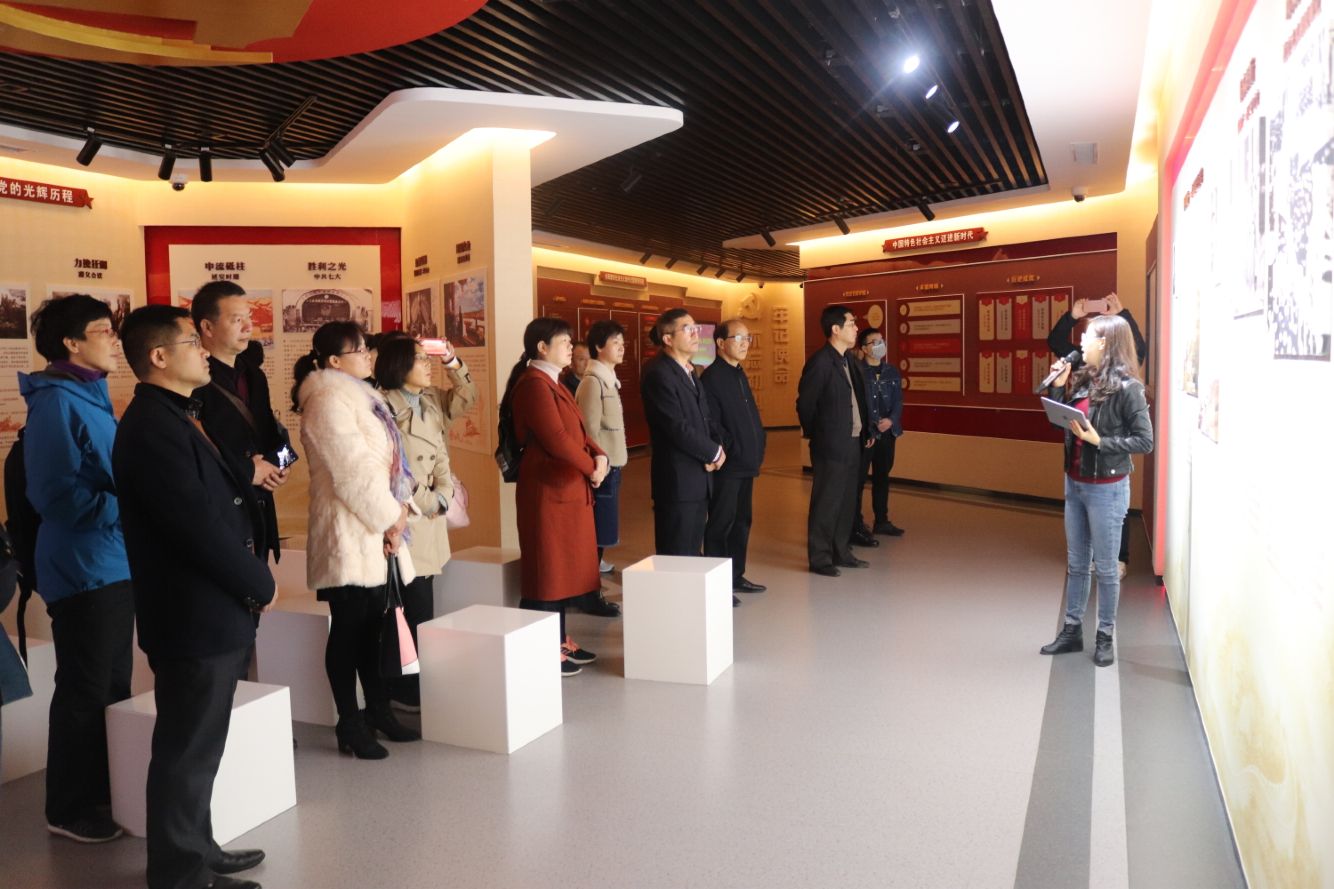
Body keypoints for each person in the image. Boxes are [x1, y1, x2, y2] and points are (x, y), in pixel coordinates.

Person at [113, 305, 275, 889]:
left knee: (201, 745)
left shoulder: (178, 413)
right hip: (192, 615)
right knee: (187, 748)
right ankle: (179, 872)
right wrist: (259, 582)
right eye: (191, 342)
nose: (205, 351)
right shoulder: (151, 428)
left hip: (210, 610)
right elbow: (196, 526)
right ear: (159, 356)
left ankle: (199, 848)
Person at [19, 294, 133, 843]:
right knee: (84, 688)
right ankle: (67, 807)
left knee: (112, 682)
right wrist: (133, 502)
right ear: (71, 343)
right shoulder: (56, 403)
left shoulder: (90, 394)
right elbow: (56, 497)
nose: (114, 341)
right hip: (82, 566)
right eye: (103, 331)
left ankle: (104, 790)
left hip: (111, 560)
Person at [293, 322, 419, 758]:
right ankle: (349, 722)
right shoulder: (327, 400)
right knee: (348, 631)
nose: (368, 355)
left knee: (372, 630)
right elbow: (352, 474)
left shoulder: (363, 396)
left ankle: (377, 710)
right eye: (359, 349)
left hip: (376, 528)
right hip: (347, 534)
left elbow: (388, 464)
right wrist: (391, 520)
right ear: (333, 361)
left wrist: (399, 515)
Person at [1039, 313, 1153, 667]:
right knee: (1077, 564)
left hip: (1107, 488)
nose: (1081, 342)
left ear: (1104, 343)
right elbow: (1063, 422)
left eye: (1086, 336)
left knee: (1105, 568)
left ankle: (1105, 635)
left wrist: (1100, 441)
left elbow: (1144, 440)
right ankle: (1072, 630)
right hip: (1075, 483)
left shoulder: (1129, 388)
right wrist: (1057, 386)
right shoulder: (1083, 379)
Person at [374, 333, 477, 710]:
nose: (427, 364)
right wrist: (429, 500)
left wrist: (452, 360)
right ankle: (400, 684)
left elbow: (468, 397)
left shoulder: (430, 399)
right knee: (405, 606)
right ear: (398, 364)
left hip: (431, 515)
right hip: (405, 517)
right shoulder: (382, 406)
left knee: (422, 603)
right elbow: (391, 469)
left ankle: (413, 681)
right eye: (419, 359)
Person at [502, 318, 608, 676]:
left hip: (564, 487)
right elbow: (557, 439)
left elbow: (578, 431)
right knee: (547, 572)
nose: (570, 347)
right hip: (547, 491)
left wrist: (599, 455)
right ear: (542, 347)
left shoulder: (552, 381)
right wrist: (591, 467)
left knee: (560, 572)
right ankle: (543, 647)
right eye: (563, 341)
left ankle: (559, 638)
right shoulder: (534, 384)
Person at [1047, 292, 1147, 577]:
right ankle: (1089, 558)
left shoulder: (1123, 372)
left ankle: (1118, 558)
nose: (1084, 340)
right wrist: (1072, 316)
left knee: (1113, 506)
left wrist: (1122, 314)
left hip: (1110, 454)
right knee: (1086, 510)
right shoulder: (1083, 361)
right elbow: (1055, 341)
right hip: (1081, 457)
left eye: (1090, 334)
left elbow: (1138, 349)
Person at [191, 282, 289, 565]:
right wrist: (248, 471)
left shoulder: (254, 375)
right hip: (221, 512)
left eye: (249, 318)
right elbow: (194, 452)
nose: (248, 327)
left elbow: (274, 436)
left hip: (259, 508)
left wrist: (279, 466)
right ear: (207, 327)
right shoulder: (193, 380)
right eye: (237, 320)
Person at [640, 308, 725, 559]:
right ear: (668, 338)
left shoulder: (689, 370)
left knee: (692, 549)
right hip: (678, 480)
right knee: (677, 553)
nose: (696, 334)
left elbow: (706, 417)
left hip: (698, 477)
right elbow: (675, 426)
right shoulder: (658, 373)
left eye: (696, 328)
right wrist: (713, 452)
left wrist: (717, 448)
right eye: (688, 329)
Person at [797, 304, 871, 577]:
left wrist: (866, 431)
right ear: (835, 329)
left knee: (847, 500)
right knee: (827, 502)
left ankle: (841, 551)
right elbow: (805, 405)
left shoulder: (849, 360)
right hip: (830, 444)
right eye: (851, 324)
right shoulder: (820, 362)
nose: (856, 328)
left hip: (853, 441)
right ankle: (820, 558)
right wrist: (820, 435)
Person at [701, 320, 768, 596]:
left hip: (746, 463)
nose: (745, 343)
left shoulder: (739, 373)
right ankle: (718, 584)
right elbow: (713, 424)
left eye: (747, 338)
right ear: (720, 343)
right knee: (721, 523)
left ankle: (736, 575)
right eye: (738, 338)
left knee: (742, 522)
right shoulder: (712, 378)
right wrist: (734, 449)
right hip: (729, 465)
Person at [574, 320, 628, 616]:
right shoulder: (593, 382)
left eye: (622, 341)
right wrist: (598, 467)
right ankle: (587, 594)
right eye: (615, 341)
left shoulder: (607, 380)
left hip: (611, 470)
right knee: (594, 538)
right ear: (598, 346)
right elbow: (589, 433)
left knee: (601, 536)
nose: (621, 347)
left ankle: (589, 591)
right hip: (601, 473)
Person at [852, 328, 905, 540]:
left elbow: (898, 400)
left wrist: (891, 420)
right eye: (874, 342)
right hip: (866, 434)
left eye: (881, 340)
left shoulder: (891, 371)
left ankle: (881, 521)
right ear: (864, 348)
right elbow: (857, 404)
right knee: (858, 479)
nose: (880, 344)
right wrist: (871, 426)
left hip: (887, 432)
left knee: (882, 477)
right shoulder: (857, 371)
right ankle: (855, 522)